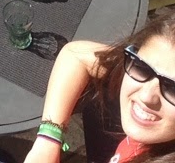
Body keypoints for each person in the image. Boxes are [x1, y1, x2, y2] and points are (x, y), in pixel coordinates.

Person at [23, 11, 175, 163]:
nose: (146, 96)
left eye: (173, 89)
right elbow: (76, 55)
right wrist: (49, 137)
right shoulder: (133, 68)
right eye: (141, 67)